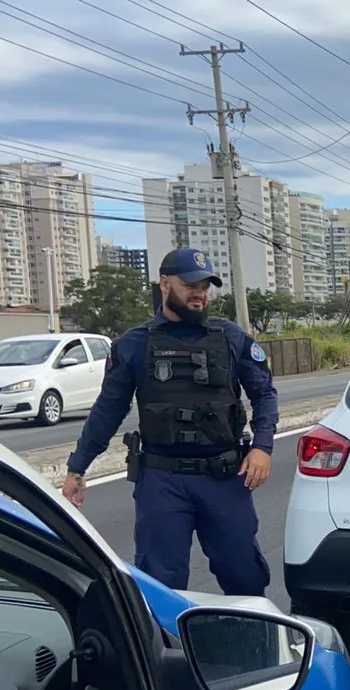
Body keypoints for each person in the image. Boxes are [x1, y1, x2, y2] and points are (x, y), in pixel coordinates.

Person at [61, 248, 278, 599]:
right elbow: (108, 410)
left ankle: (253, 648)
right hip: (162, 481)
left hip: (223, 477)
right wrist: (78, 467)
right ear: (165, 283)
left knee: (244, 577)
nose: (200, 293)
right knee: (161, 585)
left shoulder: (230, 338)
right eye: (191, 284)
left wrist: (262, 448)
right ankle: (169, 652)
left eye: (206, 285)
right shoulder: (134, 344)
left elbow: (265, 394)